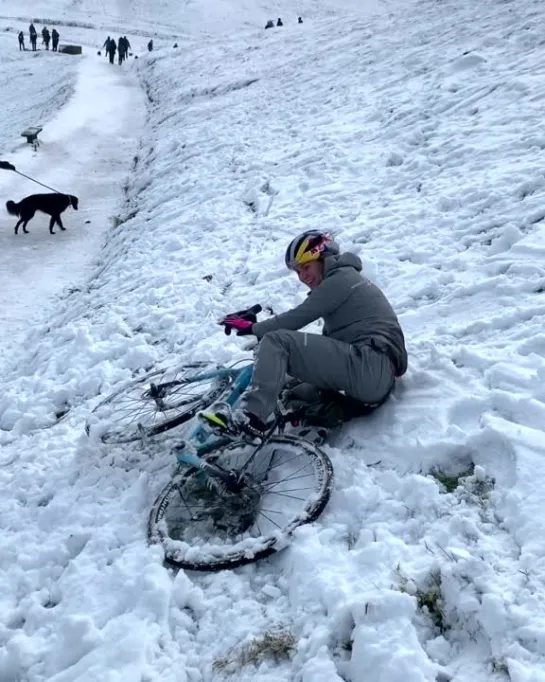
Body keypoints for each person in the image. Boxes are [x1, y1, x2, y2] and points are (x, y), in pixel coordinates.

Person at [203, 230, 408, 440]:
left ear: (324, 258)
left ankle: (252, 416)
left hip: (369, 367)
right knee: (291, 384)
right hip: (371, 372)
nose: (303, 277)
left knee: (277, 341)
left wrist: (253, 328)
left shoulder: (342, 279)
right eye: (298, 272)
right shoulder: (347, 281)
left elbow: (298, 317)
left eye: (306, 267)